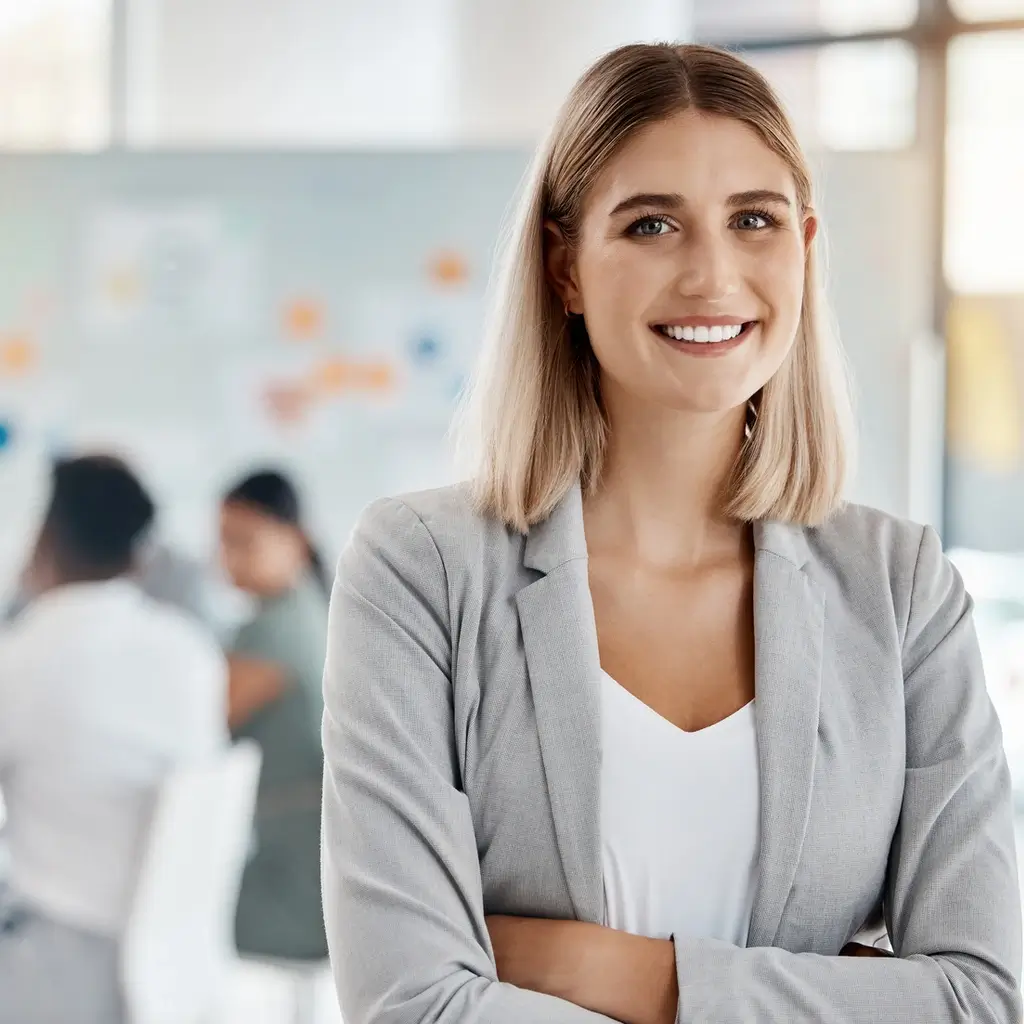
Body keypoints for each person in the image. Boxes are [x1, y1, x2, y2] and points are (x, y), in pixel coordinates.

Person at [321, 43, 1022, 1024]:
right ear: (564, 266)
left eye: (753, 221)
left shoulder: (898, 587)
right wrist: (846, 992)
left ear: (804, 247)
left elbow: (980, 998)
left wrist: (614, 972)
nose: (710, 273)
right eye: (650, 224)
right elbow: (413, 1005)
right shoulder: (423, 570)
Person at [0, 456, 227, 1024]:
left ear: (45, 538)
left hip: (56, 972)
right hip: (173, 969)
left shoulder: (22, 660)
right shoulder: (191, 654)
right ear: (139, 553)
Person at [220, 469, 329, 961]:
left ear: (296, 540)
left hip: (300, 891)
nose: (227, 558)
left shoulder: (276, 633)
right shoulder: (314, 610)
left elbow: (197, 727)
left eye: (243, 541)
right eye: (222, 542)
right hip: (325, 882)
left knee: (162, 907)